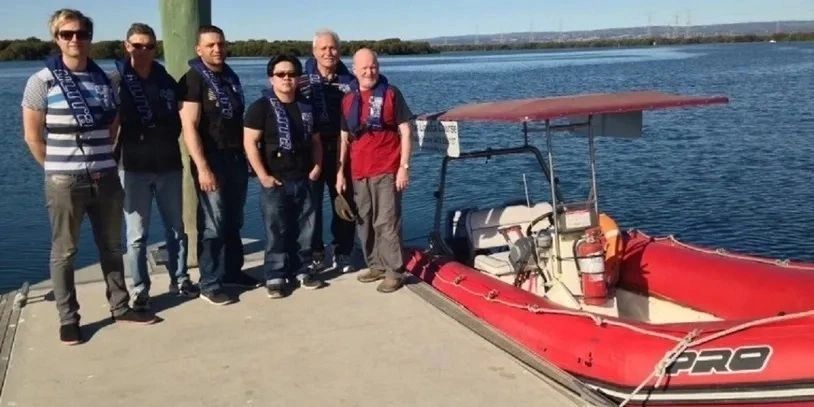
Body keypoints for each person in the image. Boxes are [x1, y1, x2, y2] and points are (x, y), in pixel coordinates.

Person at [21, 9, 157, 345]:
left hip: (106, 177)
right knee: (64, 252)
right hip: (64, 181)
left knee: (112, 246)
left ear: (89, 38)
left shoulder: (106, 80)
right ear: (56, 39)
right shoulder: (41, 81)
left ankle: (120, 306)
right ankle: (69, 319)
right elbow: (32, 137)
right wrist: (55, 168)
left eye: (81, 34)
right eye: (67, 34)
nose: (74, 40)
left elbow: (113, 127)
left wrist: (102, 159)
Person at [114, 23, 199, 311]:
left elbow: (184, 118)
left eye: (149, 46)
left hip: (168, 165)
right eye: (137, 46)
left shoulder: (166, 81)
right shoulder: (117, 81)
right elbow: (110, 127)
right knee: (136, 235)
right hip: (133, 168)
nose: (143, 51)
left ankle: (181, 278)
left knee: (177, 228)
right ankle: (140, 289)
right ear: (127, 46)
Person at [178, 25, 260, 306]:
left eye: (221, 44)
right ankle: (210, 282)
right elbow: (189, 126)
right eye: (211, 45)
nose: (217, 49)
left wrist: (248, 156)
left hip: (235, 157)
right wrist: (202, 167)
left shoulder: (230, 76)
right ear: (198, 49)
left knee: (234, 220)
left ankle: (233, 272)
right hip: (210, 159)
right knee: (213, 223)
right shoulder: (193, 79)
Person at [244, 55, 324, 298]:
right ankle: (275, 275)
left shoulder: (307, 106)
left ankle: (302, 269)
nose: (287, 78)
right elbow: (249, 143)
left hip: (304, 177)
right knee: (276, 230)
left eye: (292, 74)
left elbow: (316, 142)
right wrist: (263, 176)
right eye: (281, 74)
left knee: (305, 229)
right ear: (271, 78)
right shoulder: (260, 107)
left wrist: (317, 167)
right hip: (275, 181)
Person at [336, 48, 413, 293]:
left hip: (387, 168)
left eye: (374, 67)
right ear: (355, 70)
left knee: (387, 221)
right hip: (359, 171)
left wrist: (404, 167)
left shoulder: (391, 94)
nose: (370, 72)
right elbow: (344, 137)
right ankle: (376, 264)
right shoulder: (348, 99)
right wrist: (340, 171)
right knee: (365, 220)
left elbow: (406, 131)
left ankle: (394, 271)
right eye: (365, 68)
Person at [302, 30, 357, 273]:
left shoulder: (350, 79)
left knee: (344, 202)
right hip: (312, 149)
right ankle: (314, 251)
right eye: (323, 48)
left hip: (342, 149)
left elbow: (376, 87)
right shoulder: (301, 79)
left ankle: (343, 250)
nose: (328, 53)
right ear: (314, 52)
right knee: (310, 205)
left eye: (333, 48)